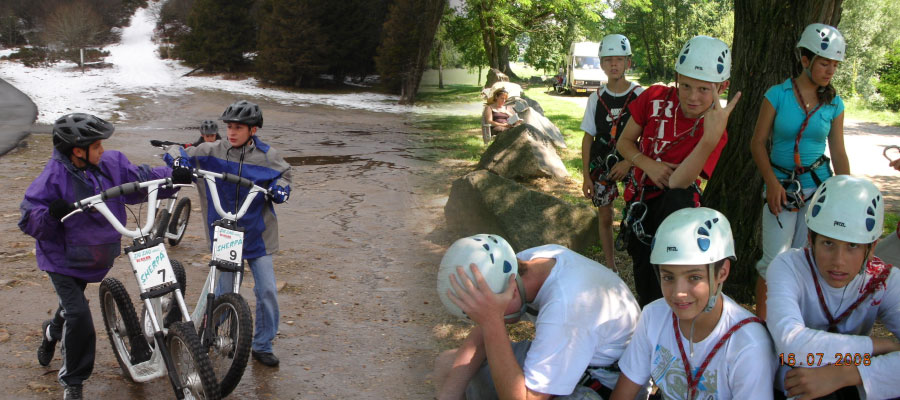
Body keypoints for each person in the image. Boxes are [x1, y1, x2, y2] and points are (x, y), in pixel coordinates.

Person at [18, 113, 174, 400]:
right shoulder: (53, 177)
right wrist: (51, 215)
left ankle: (52, 333)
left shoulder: (111, 163)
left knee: (70, 309)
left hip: (94, 256)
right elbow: (29, 217)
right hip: (62, 260)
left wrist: (172, 179)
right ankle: (72, 381)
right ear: (78, 150)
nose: (103, 150)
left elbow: (142, 179)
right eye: (97, 146)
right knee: (79, 314)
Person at [433, 234, 641, 399]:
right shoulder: (521, 264)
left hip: (607, 384)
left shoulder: (566, 307)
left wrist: (492, 322)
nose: (481, 319)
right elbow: (481, 335)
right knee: (447, 366)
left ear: (511, 291)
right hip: (577, 357)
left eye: (485, 311)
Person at [615, 35, 740, 307]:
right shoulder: (654, 98)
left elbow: (678, 183)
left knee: (673, 286)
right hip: (640, 205)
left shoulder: (715, 128)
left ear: (722, 87)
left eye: (704, 89)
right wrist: (647, 162)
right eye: (685, 85)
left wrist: (709, 140)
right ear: (676, 77)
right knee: (647, 288)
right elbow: (623, 142)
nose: (692, 97)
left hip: (676, 211)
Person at [167, 100, 292, 367]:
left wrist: (282, 187)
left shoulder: (268, 156)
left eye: (239, 128)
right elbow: (177, 149)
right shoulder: (212, 150)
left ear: (253, 131)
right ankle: (208, 334)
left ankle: (262, 344)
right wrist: (178, 161)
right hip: (224, 234)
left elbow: (285, 174)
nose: (232, 132)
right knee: (223, 291)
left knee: (267, 290)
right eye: (230, 127)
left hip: (258, 235)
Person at [611, 207, 777, 400]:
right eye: (668, 277)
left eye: (694, 277)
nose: (679, 293)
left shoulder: (748, 345)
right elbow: (624, 392)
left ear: (722, 272)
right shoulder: (653, 316)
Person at [766, 175, 900, 399]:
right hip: (793, 382)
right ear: (810, 238)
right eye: (828, 243)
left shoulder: (885, 279)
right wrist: (878, 345)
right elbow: (790, 345)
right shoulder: (788, 266)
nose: (839, 260)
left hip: (852, 378)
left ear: (872, 247)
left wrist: (846, 374)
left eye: (853, 246)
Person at [750, 23, 851, 319]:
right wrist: (772, 184)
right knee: (773, 262)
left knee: (806, 261)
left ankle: (795, 325)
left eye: (834, 64)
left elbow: (839, 152)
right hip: (780, 188)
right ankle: (763, 326)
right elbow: (757, 143)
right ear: (805, 60)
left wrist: (844, 194)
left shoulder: (834, 103)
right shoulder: (777, 95)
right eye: (824, 62)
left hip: (819, 189)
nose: (830, 70)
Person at [581, 33, 644, 273]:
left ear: (628, 62)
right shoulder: (595, 98)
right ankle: (610, 266)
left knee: (636, 212)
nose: (614, 64)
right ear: (601, 64)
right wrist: (587, 175)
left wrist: (629, 162)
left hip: (633, 162)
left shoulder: (640, 95)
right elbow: (588, 138)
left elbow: (648, 137)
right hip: (601, 163)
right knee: (605, 215)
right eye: (608, 60)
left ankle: (639, 258)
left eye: (619, 59)